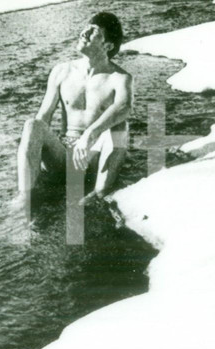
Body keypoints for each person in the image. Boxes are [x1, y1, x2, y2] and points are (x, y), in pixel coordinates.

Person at [16, 11, 132, 206]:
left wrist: (89, 134)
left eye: (94, 32)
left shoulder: (120, 78)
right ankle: (24, 197)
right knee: (32, 125)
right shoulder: (61, 71)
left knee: (121, 126)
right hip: (64, 156)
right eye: (86, 28)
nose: (84, 34)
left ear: (108, 46)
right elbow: (43, 118)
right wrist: (32, 150)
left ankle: (98, 194)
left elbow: (125, 107)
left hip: (94, 159)